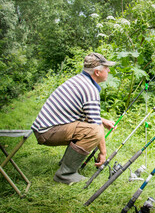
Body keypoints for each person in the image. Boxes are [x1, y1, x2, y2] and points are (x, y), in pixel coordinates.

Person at [31, 52, 117, 185]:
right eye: (106, 68)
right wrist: (103, 153)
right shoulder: (90, 89)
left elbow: (85, 113)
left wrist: (103, 120)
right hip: (46, 132)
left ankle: (66, 164)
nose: (109, 70)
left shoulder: (79, 80)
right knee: (94, 132)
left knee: (90, 127)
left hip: (44, 128)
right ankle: (65, 174)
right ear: (97, 72)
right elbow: (95, 126)